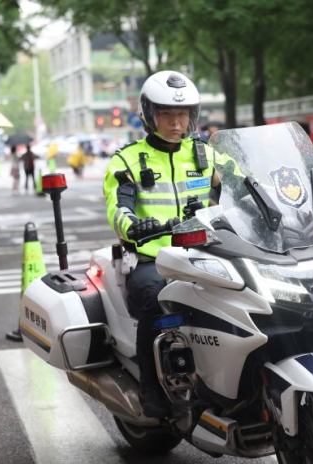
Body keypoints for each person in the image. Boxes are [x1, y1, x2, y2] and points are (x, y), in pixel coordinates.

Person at [103, 70, 216, 417]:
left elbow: (247, 188)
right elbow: (117, 208)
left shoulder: (208, 156)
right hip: (154, 258)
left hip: (206, 251)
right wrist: (134, 225)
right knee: (155, 301)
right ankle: (152, 393)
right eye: (166, 114)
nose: (176, 122)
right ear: (149, 115)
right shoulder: (127, 161)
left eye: (182, 114)